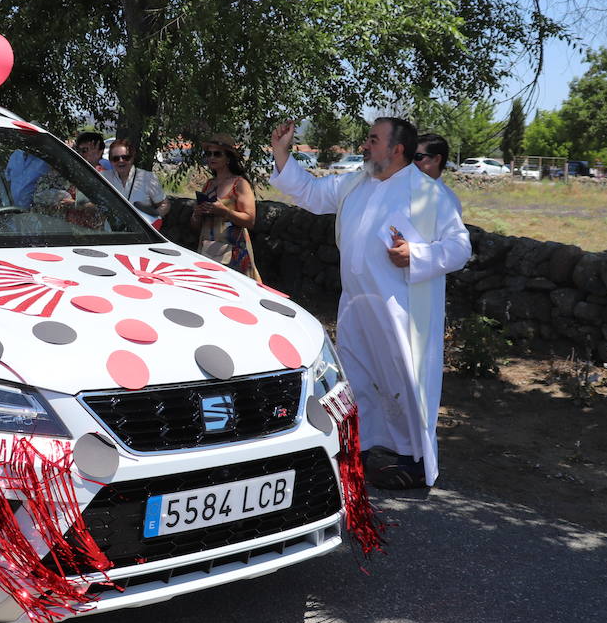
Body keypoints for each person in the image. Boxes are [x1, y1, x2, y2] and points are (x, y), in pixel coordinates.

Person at [270, 117, 471, 489]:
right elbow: (311, 194)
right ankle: (358, 448)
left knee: (405, 378)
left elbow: (460, 247)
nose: (365, 145)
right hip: (356, 304)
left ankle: (413, 459)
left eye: (373, 139)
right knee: (356, 374)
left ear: (397, 149)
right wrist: (282, 152)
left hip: (402, 310)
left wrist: (418, 254)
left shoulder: (428, 193)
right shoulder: (353, 182)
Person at [190, 133, 259, 279]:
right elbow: (196, 227)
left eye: (217, 154)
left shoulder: (240, 184)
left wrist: (225, 212)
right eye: (208, 154)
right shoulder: (209, 184)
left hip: (233, 254)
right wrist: (197, 214)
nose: (211, 158)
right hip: (207, 250)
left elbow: (250, 221)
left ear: (228, 158)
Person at [106, 139, 169, 224]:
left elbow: (165, 205)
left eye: (125, 157)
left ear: (132, 158)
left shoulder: (148, 178)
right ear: (110, 161)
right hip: (110, 233)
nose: (121, 161)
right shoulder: (103, 177)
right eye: (116, 158)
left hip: (139, 234)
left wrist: (152, 220)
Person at [413, 132, 462, 215]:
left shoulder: (447, 201)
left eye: (418, 156)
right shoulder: (404, 190)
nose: (412, 162)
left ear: (436, 159)